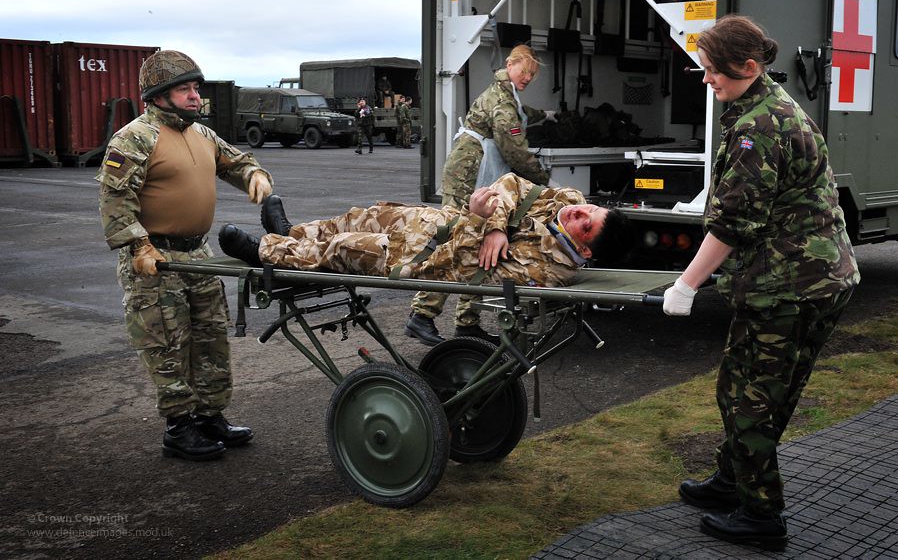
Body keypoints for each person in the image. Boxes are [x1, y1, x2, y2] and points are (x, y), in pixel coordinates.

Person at [660, 15, 860, 551]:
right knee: (737, 387)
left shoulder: (760, 127)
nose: (706, 79)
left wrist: (686, 285)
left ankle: (761, 516)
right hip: (796, 281)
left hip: (796, 288)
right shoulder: (760, 108)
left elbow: (732, 225)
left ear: (747, 67)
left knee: (753, 403)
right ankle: (733, 483)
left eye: (711, 70)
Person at [96, 50, 274, 461]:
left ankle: (210, 415)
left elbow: (236, 162)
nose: (195, 97)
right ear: (159, 95)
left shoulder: (201, 134)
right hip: (156, 260)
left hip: (198, 255)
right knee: (166, 343)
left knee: (211, 337)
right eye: (185, 89)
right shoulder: (134, 138)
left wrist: (255, 173)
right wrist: (138, 246)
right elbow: (114, 198)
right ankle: (180, 427)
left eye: (196, 88)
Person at [220, 173, 633, 290]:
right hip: (438, 225)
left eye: (587, 223)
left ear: (586, 250)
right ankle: (292, 233)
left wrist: (479, 220)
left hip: (425, 260)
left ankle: (267, 252)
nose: (580, 211)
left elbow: (470, 263)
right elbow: (513, 184)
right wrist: (495, 227)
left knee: (343, 247)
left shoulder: (548, 270)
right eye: (592, 209)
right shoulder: (565, 201)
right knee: (358, 217)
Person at [407, 44, 556, 345]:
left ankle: (467, 321)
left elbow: (522, 114)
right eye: (524, 70)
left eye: (532, 74)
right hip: (470, 173)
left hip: (480, 172)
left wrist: (546, 114)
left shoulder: (507, 96)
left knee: (478, 245)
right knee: (456, 240)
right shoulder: (501, 101)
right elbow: (513, 149)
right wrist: (542, 181)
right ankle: (421, 316)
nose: (527, 77)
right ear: (510, 65)